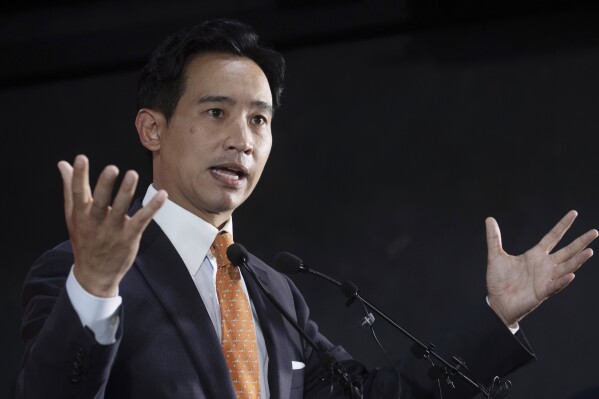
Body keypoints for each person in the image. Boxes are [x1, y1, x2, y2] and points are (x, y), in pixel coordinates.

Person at [15, 18, 597, 399]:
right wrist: (93, 290)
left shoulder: (273, 291)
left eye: (259, 120)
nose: (242, 139)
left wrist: (498, 316)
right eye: (217, 112)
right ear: (152, 128)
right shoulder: (78, 275)